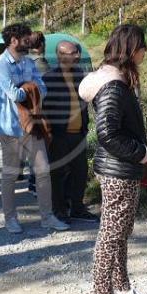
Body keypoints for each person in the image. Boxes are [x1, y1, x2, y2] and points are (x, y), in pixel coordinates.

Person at [78, 24, 147, 294]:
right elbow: (108, 133)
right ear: (130, 49)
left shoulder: (118, 80)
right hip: (118, 170)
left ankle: (122, 291)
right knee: (110, 235)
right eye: (142, 45)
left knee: (121, 232)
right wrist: (142, 153)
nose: (145, 50)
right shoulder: (113, 85)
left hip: (122, 169)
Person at [0, 23, 69, 233]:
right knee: (10, 174)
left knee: (43, 170)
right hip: (10, 129)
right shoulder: (0, 65)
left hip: (32, 126)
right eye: (26, 39)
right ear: (13, 40)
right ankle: (10, 219)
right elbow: (15, 95)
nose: (29, 43)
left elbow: (42, 89)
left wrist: (29, 88)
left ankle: (47, 217)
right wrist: (30, 88)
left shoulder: (27, 62)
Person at [42, 41, 97, 223]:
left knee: (80, 172)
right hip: (58, 135)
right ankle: (59, 211)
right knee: (58, 174)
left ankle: (77, 208)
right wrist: (48, 132)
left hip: (78, 134)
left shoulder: (80, 75)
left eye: (76, 52)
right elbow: (43, 109)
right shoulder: (49, 79)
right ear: (60, 56)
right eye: (72, 53)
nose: (77, 56)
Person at [24, 31, 49, 194]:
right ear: (41, 45)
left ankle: (32, 182)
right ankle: (36, 184)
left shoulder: (23, 62)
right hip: (39, 111)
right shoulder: (40, 64)